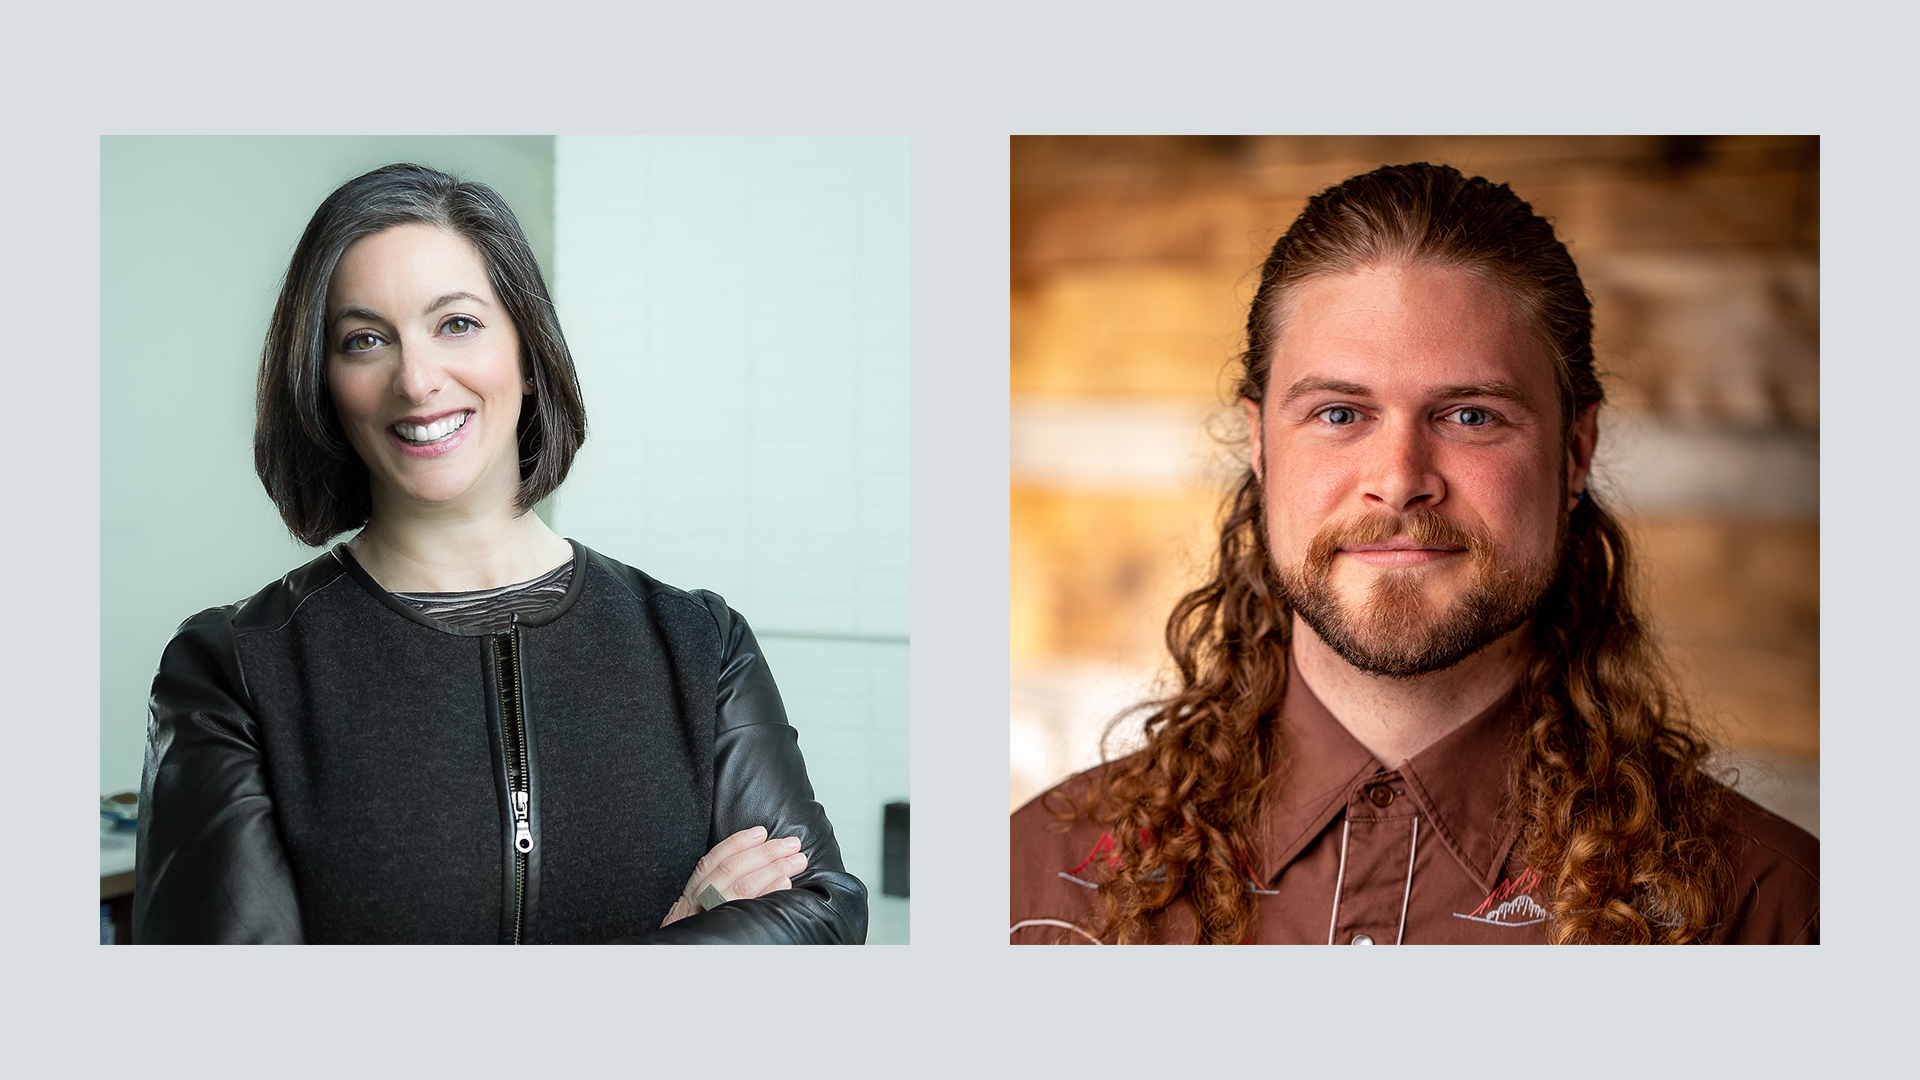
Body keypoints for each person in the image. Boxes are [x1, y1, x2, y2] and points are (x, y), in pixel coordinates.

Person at [1009, 162, 1817, 945]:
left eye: (1469, 416)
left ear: (1575, 453)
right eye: (1337, 414)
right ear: (1259, 446)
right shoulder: (1032, 886)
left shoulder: (1775, 919)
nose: (1399, 483)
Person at [134, 163, 866, 944]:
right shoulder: (235, 670)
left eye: (456, 324)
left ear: (526, 346)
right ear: (322, 380)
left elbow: (822, 922)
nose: (416, 379)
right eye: (365, 340)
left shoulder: (698, 643)